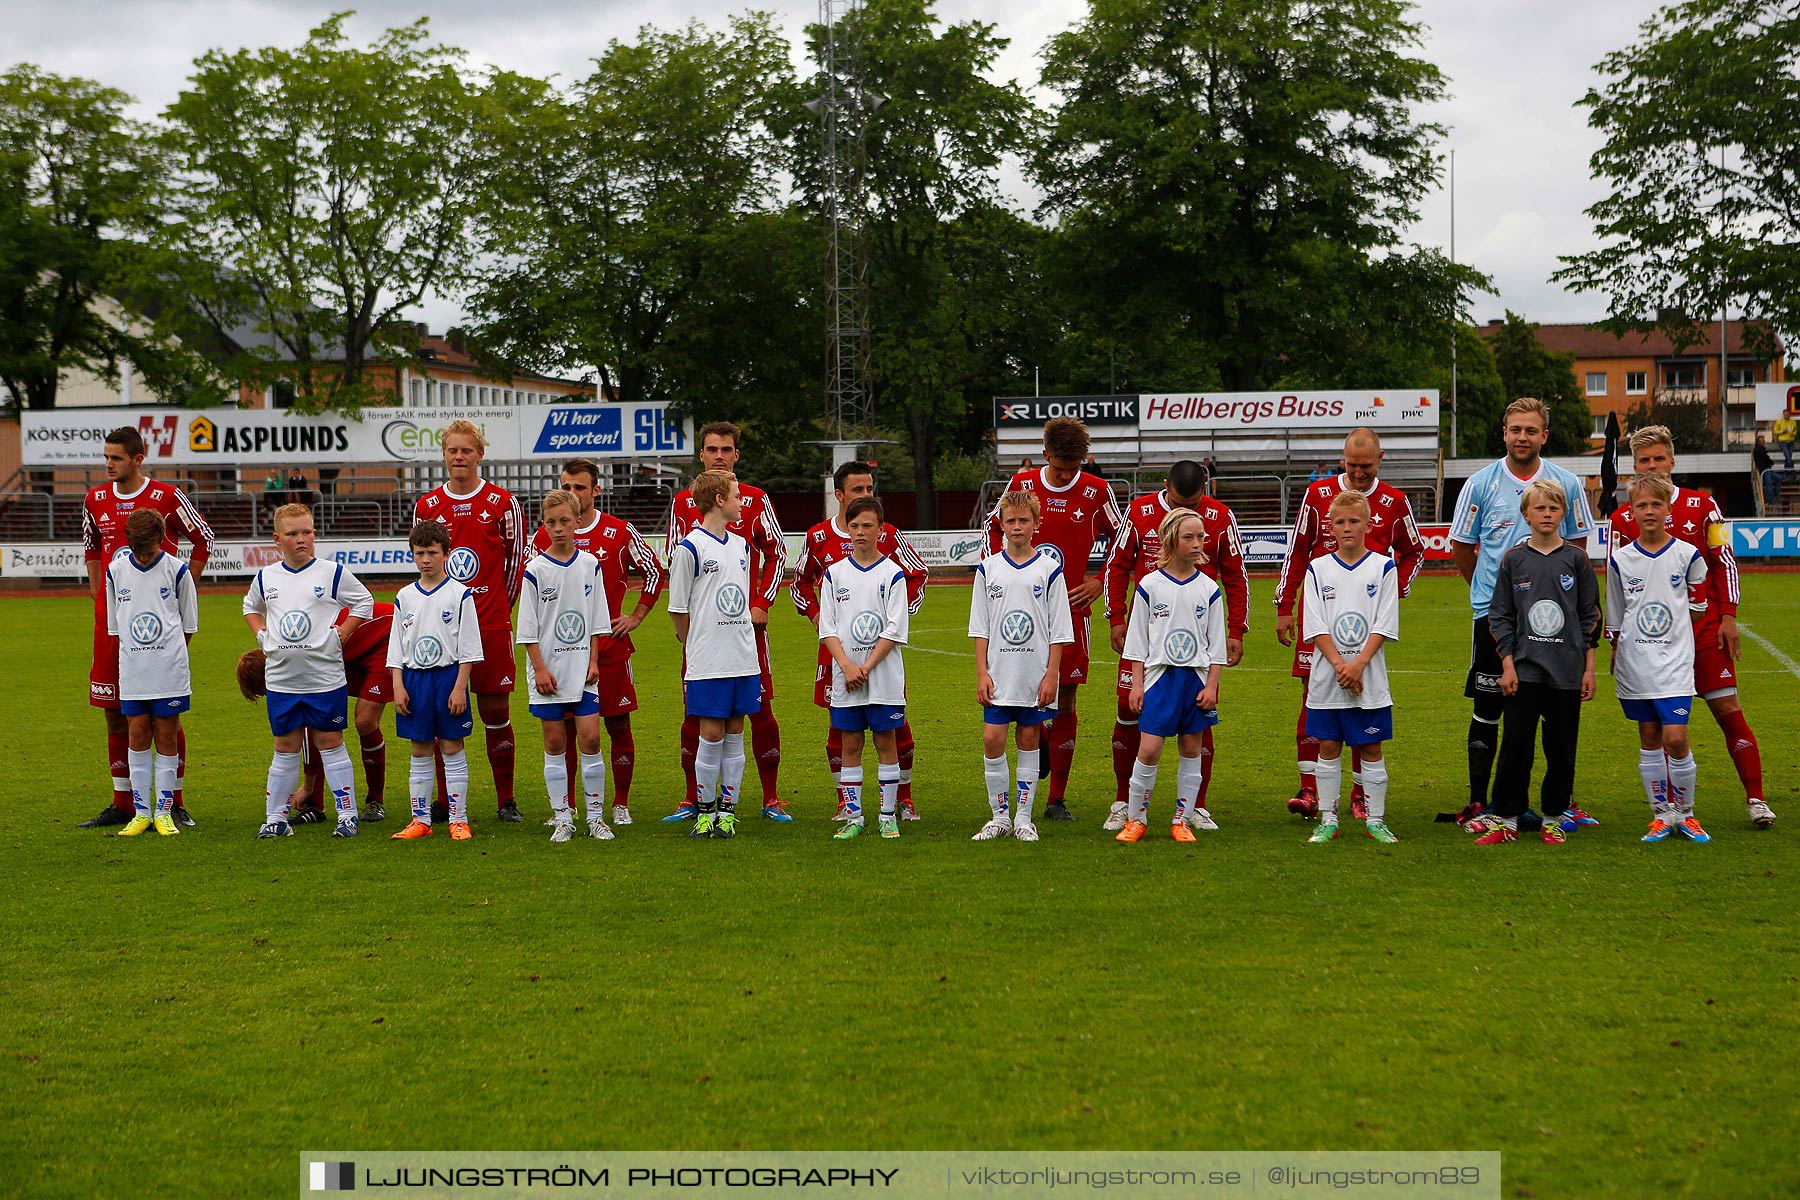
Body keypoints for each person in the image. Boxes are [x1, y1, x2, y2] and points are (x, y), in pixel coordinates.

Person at [1610, 428, 1774, 828]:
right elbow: (1617, 587)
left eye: (1659, 459)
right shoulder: (1622, 518)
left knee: (1727, 710)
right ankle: (1670, 812)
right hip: (1651, 644)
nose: (1654, 466)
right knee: (1659, 728)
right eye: (1645, 461)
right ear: (1635, 467)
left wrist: (1729, 616)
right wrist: (1618, 645)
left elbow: (1724, 561)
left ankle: (1756, 799)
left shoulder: (1704, 505)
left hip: (1705, 632)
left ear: (1673, 461)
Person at [1448, 398, 1594, 828]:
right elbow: (1461, 548)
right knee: (1490, 705)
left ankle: (1557, 802)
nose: (1523, 437)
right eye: (1515, 429)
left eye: (1531, 430)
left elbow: (1579, 549)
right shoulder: (1479, 484)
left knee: (1554, 711)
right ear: (1505, 433)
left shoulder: (1566, 483)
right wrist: (1497, 603)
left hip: (1551, 624)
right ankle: (1481, 802)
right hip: (1496, 621)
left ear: (1544, 435)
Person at [1274, 428, 1424, 821]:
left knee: (1361, 705)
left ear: (1381, 459)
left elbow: (1414, 552)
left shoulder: (1395, 501)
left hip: (1365, 623)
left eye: (1366, 465)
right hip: (1320, 619)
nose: (1358, 472)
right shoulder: (1317, 494)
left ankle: (1360, 795)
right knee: (1314, 701)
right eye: (1351, 464)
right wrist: (1285, 605)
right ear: (1343, 458)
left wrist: (1397, 588)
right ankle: (1310, 790)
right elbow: (1298, 550)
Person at [981, 417, 1123, 821]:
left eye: (1074, 468)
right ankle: (1037, 741)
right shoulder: (1022, 484)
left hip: (1070, 611)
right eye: (1060, 468)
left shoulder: (1097, 491)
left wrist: (1100, 579)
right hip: (1020, 614)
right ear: (1045, 456)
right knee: (1017, 692)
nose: (1066, 475)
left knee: (1065, 697)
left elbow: (1123, 539)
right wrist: (999, 576)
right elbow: (991, 528)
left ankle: (1055, 799)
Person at [80, 426, 215, 830]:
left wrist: (182, 585)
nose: (108, 464)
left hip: (159, 631)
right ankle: (124, 801)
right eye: (105, 457)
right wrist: (97, 595)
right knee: (114, 712)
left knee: (165, 716)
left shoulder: (167, 496)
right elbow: (90, 547)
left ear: (138, 459)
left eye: (116, 458)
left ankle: (173, 802)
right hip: (112, 625)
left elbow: (204, 537)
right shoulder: (95, 499)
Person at [1102, 458, 1246, 832]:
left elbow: (1235, 573)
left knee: (1198, 722)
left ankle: (1194, 807)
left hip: (1197, 644)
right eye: (1180, 501)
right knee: (1129, 710)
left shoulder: (1220, 517)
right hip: (1151, 640)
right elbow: (1117, 564)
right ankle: (1124, 802)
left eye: (1193, 502)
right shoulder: (1139, 511)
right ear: (1166, 486)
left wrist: (1236, 628)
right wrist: (1117, 616)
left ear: (1206, 490)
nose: (1186, 512)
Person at [663, 423, 789, 821]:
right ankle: (694, 799)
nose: (719, 454)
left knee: (759, 709)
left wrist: (761, 602)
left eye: (727, 449)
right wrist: (689, 636)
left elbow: (778, 553)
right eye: (712, 449)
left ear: (737, 455)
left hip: (746, 636)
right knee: (697, 715)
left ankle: (769, 797)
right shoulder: (684, 503)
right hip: (704, 639)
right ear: (701, 455)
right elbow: (673, 560)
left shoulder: (754, 500)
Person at [790, 460, 928, 820]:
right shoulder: (818, 536)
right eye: (858, 490)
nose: (866, 495)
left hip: (880, 652)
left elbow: (918, 574)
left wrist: (898, 616)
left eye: (869, 489)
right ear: (839, 494)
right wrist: (820, 619)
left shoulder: (889, 534)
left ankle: (904, 799)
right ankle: (846, 805)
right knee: (842, 729)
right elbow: (800, 583)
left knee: (894, 726)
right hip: (836, 651)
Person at [530, 457, 665, 825]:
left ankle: (619, 803)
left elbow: (653, 571)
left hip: (610, 650)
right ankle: (569, 807)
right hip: (563, 653)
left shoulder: (619, 530)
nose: (571, 494)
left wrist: (636, 615)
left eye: (579, 487)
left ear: (596, 491)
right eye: (566, 486)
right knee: (568, 727)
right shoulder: (545, 536)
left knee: (617, 725)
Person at [414, 419, 527, 821]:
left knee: (496, 713)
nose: (459, 457)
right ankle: (445, 803)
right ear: (443, 455)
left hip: (491, 622)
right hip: (443, 628)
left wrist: (502, 607)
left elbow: (516, 562)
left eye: (466, 450)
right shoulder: (428, 505)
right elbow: (424, 562)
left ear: (480, 454)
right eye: (452, 451)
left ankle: (505, 800)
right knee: (445, 715)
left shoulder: (502, 502)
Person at [1477, 480, 1600, 845]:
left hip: (1566, 670)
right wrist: (1508, 665)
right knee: (1515, 747)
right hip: (1525, 669)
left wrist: (1589, 669)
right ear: (1526, 514)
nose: (1547, 515)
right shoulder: (1514, 559)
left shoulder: (1575, 559)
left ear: (1563, 513)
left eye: (1554, 508)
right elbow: (1499, 615)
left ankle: (1553, 818)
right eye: (1540, 509)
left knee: (1561, 749)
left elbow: (1589, 616)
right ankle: (1507, 821)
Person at [243, 504, 374, 838]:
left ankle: (347, 815)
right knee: (284, 746)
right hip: (283, 679)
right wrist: (261, 634)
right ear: (277, 539)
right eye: (293, 534)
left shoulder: (332, 573)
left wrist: (344, 631)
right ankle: (276, 818)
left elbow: (364, 602)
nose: (302, 539)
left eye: (307, 532)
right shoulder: (266, 577)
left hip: (323, 677)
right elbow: (251, 607)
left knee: (329, 741)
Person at [1606, 473, 1710, 844]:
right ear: (1631, 511)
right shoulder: (1621, 560)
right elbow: (1616, 616)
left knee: (1676, 738)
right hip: (1636, 663)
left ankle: (1687, 813)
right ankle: (1662, 816)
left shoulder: (1687, 554)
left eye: (1656, 504)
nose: (1649, 511)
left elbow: (1697, 607)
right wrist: (1618, 651)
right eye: (1641, 505)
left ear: (1668, 509)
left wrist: (1673, 637)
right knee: (1649, 737)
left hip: (1675, 664)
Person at [1117, 508, 1228, 844]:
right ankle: (1136, 820)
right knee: (1149, 749)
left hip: (1194, 681)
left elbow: (1217, 645)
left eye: (1201, 537)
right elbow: (1136, 641)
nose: (1197, 544)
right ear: (1170, 540)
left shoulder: (1209, 588)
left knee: (1191, 748)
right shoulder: (1150, 585)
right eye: (1188, 537)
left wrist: (1212, 685)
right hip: (1158, 681)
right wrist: (1136, 684)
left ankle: (1182, 820)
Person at [969, 491, 1073, 842]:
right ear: (1001, 524)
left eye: (1024, 520)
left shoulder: (1049, 570)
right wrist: (982, 672)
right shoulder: (988, 569)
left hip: (1035, 673)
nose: (1017, 526)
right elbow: (979, 627)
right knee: (992, 738)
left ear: (1036, 524)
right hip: (999, 673)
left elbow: (1059, 629)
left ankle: (1023, 818)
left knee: (1029, 738)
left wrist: (1052, 675)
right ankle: (999, 816)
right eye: (1011, 520)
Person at [1301, 491, 1401, 844]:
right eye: (1340, 522)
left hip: (1368, 678)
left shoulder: (1383, 567)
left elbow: (1385, 623)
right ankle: (1328, 819)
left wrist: (1358, 664)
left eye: (1354, 521)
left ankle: (1376, 819)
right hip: (1329, 678)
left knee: (1371, 749)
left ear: (1368, 524)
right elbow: (1314, 625)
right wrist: (1341, 665)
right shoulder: (1318, 569)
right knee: (1328, 747)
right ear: (1330, 527)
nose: (1347, 528)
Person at [667, 470, 760, 839]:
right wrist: (695, 646)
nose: (741, 502)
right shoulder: (690, 549)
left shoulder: (741, 547)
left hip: (743, 657)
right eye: (736, 496)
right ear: (720, 500)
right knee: (710, 733)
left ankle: (728, 811)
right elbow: (677, 608)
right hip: (708, 659)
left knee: (736, 732)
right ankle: (704, 811)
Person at [518, 491, 613, 843]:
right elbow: (527, 629)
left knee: (590, 738)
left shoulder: (590, 565)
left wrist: (593, 660)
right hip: (549, 672)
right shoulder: (535, 570)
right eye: (551, 522)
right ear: (544, 525)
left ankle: (595, 817)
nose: (558, 528)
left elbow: (596, 620)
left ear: (577, 522)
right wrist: (540, 669)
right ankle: (562, 817)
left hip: (582, 670)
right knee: (556, 742)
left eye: (564, 521)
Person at [818, 497, 912, 840]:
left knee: (886, 742)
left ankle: (888, 816)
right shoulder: (834, 574)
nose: (860, 533)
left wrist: (866, 667)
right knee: (851, 745)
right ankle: (854, 816)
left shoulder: (892, 574)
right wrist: (846, 665)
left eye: (867, 526)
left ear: (881, 530)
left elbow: (895, 628)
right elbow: (826, 627)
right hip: (846, 678)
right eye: (854, 526)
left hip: (882, 678)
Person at [387, 522, 484, 841]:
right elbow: (396, 646)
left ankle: (459, 819)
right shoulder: (404, 596)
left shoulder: (460, 594)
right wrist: (398, 685)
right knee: (419, 748)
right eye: (419, 553)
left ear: (447, 554)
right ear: (412, 555)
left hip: (448, 677)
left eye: (432, 553)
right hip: (414, 680)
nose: (426, 559)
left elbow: (470, 646)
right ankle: (421, 820)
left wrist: (459, 687)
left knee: (453, 746)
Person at [106, 510, 199, 837]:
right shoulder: (115, 571)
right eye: (138, 551)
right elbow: (115, 628)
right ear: (128, 544)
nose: (144, 557)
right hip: (133, 671)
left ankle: (164, 811)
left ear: (162, 540)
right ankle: (141, 812)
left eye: (150, 550)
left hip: (169, 671)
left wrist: (166, 653)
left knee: (166, 735)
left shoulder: (177, 571)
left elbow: (188, 626)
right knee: (137, 734)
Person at [1754, 435, 1782, 511]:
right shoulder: (1757, 450)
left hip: (1768, 469)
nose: (1764, 442)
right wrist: (1770, 462)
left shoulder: (1762, 449)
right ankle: (1771, 500)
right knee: (1768, 485)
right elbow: (1765, 458)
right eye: (1763, 440)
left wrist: (1769, 462)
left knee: (1779, 479)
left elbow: (1766, 459)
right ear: (1759, 442)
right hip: (1764, 470)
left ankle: (1775, 496)